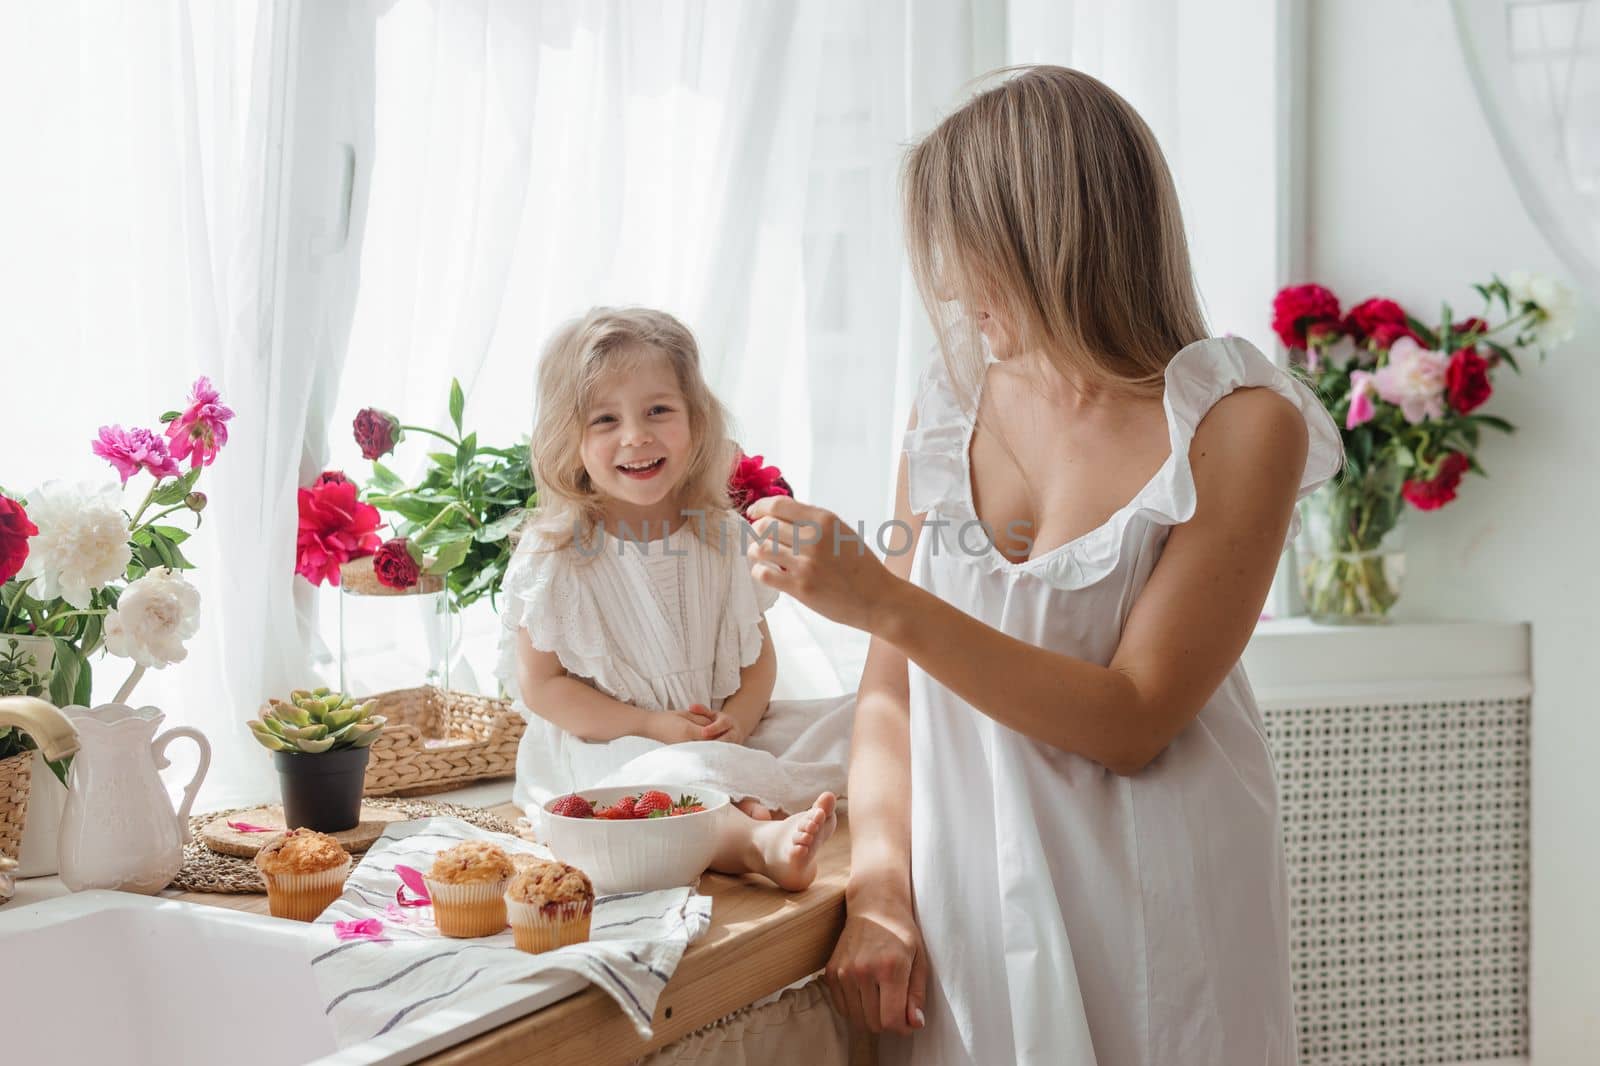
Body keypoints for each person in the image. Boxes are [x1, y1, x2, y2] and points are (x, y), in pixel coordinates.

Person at [745, 66, 1342, 1063]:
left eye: (965, 250)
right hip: (967, 893)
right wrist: (882, 887)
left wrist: (881, 598)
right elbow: (890, 690)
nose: (946, 285)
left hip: (1157, 906)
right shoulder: (949, 404)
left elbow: (1134, 718)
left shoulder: (1239, 422)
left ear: (1051, 240)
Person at [497, 305, 850, 892]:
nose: (636, 435)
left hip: (709, 730)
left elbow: (756, 657)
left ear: (697, 420)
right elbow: (544, 686)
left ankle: (749, 804)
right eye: (604, 419)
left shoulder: (720, 537)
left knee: (858, 716)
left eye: (658, 410)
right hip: (610, 745)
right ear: (569, 437)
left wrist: (736, 719)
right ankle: (758, 842)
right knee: (663, 784)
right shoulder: (555, 556)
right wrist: (649, 724)